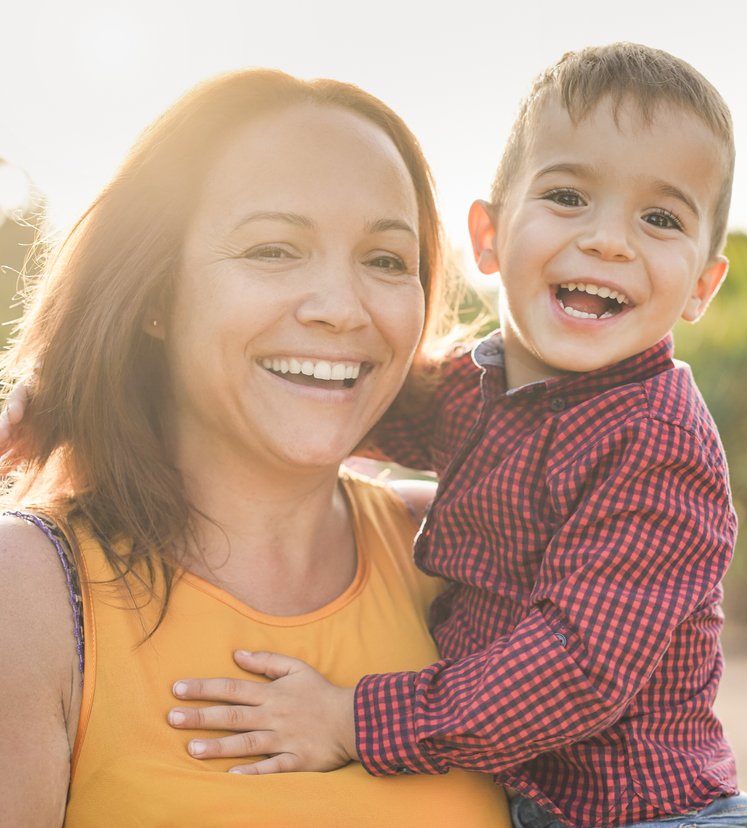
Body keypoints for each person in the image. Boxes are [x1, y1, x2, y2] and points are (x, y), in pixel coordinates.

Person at [168, 44, 747, 828]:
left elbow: (571, 672)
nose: (610, 240)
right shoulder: (474, 389)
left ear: (702, 286)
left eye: (660, 217)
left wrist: (350, 719)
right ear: (488, 236)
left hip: (637, 815)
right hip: (512, 794)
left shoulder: (658, 445)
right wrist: (94, 396)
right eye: (569, 195)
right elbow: (332, 391)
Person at [0, 68, 509, 826]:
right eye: (274, 250)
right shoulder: (29, 590)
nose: (342, 309)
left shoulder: (463, 556)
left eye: (385, 260)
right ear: (155, 298)